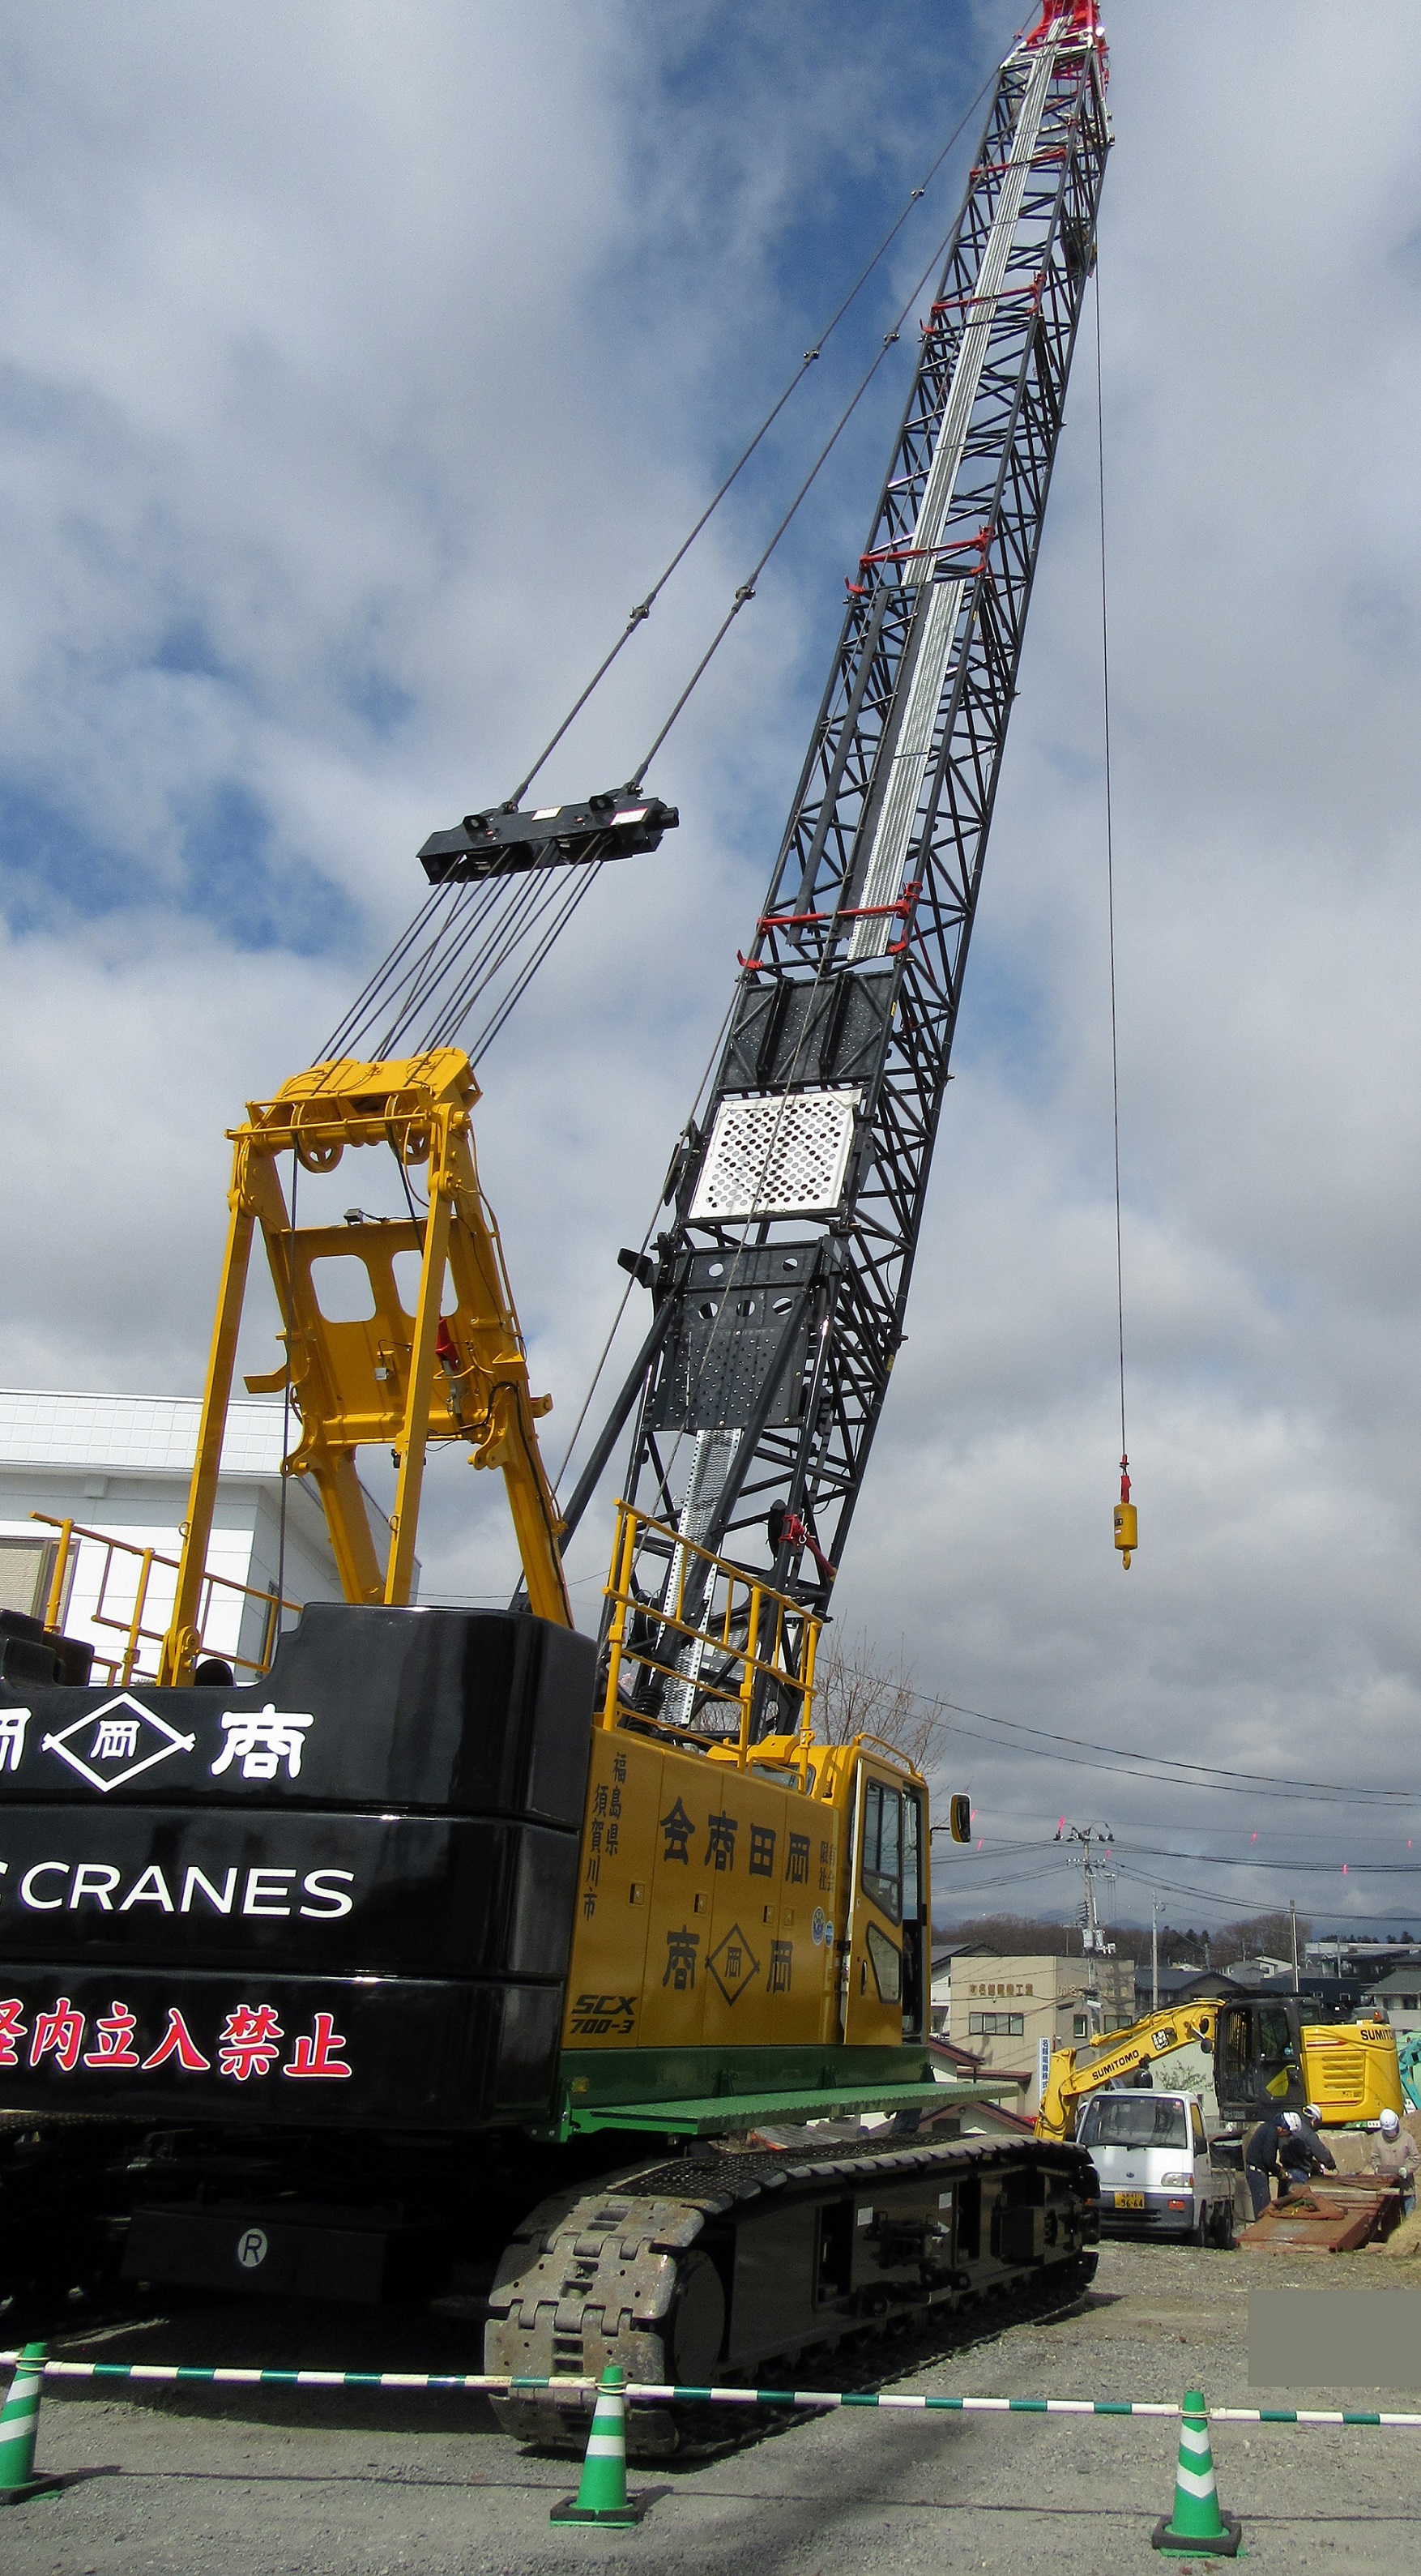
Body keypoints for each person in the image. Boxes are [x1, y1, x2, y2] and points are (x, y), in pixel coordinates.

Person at [1368, 2107, 1419, 2211]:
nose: (1390, 2133)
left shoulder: (1407, 2139)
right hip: (1387, 2188)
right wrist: (1377, 2167)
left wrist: (1406, 2169)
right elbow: (1374, 2158)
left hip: (1406, 2189)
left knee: (1408, 2220)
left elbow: (1416, 2159)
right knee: (1390, 2221)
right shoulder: (1378, 2140)